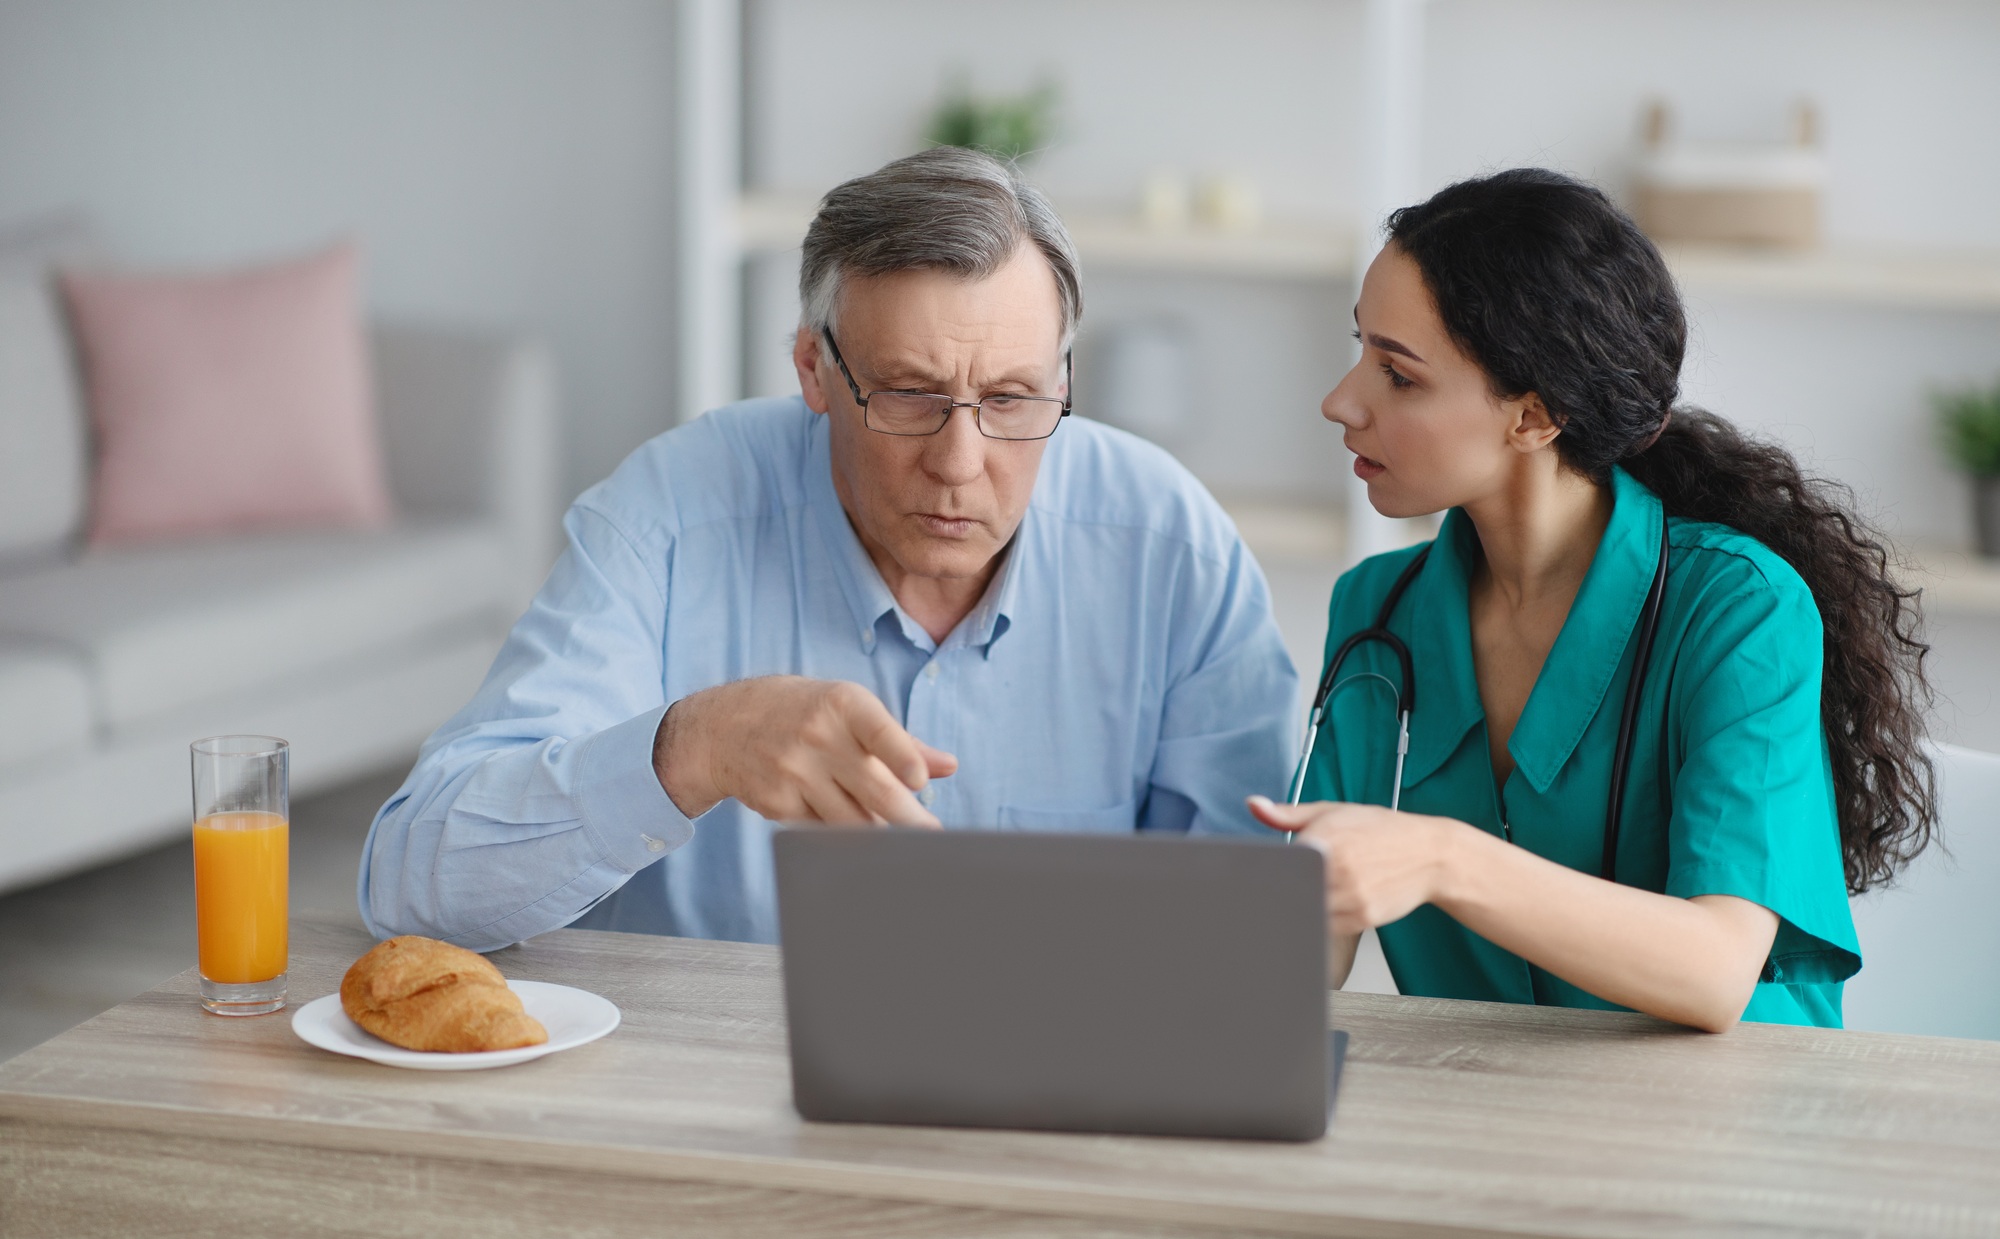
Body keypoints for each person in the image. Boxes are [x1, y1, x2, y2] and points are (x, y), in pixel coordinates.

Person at [360, 147, 1298, 949]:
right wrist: (689, 749)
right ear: (813, 367)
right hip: (708, 1106)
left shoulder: (1173, 548)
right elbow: (410, 882)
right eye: (910, 395)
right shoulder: (671, 515)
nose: (960, 463)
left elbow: (1247, 932)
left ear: (1064, 377)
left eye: (1012, 400)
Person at [1251, 169, 1936, 1032]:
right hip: (1483, 1124)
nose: (1341, 401)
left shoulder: (1738, 611)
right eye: (1360, 351)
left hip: (1726, 1134)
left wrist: (1440, 858)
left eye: (1398, 374)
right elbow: (1307, 951)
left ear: (1534, 417)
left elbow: (1717, 966)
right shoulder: (1377, 615)